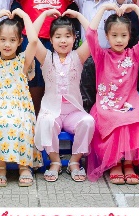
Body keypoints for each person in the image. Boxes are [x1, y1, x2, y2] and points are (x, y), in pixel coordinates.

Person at [84, 4, 139, 184]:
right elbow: (90, 33)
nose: (119, 40)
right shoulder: (101, 55)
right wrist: (104, 8)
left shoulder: (134, 54)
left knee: (133, 117)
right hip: (107, 104)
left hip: (129, 102)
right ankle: (114, 163)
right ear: (106, 36)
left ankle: (128, 164)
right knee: (115, 119)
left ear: (130, 36)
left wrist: (137, 9)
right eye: (114, 35)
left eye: (123, 35)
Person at [0, 10, 43, 187]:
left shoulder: (23, 62)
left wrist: (24, 15)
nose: (7, 44)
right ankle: (0, 165)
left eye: (12, 40)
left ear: (20, 42)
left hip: (20, 107)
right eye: (3, 39)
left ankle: (24, 166)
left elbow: (34, 40)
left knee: (22, 123)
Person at [31, 10, 95, 183]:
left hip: (73, 111)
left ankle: (74, 161)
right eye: (58, 36)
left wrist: (79, 16)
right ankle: (55, 161)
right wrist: (43, 16)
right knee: (46, 121)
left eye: (68, 36)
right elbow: (32, 38)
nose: (63, 40)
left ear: (75, 39)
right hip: (51, 110)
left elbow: (92, 37)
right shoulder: (46, 58)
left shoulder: (78, 57)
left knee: (88, 121)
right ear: (51, 40)